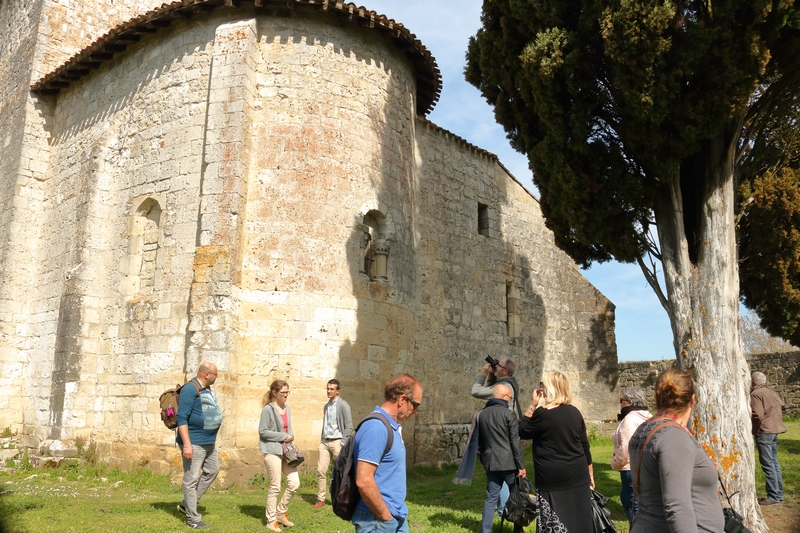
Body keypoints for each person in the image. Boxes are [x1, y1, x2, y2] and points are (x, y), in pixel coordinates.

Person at [628, 369, 724, 532]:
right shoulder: (675, 438)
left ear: (656, 397)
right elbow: (677, 506)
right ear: (693, 399)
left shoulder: (644, 430)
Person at [519, 371, 594, 532]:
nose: (541, 388)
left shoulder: (542, 414)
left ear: (549, 388)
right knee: (579, 518)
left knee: (554, 520)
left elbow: (522, 430)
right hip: (578, 473)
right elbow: (584, 446)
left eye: (542, 385)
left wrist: (532, 405)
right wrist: (590, 474)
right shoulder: (575, 412)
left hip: (552, 476)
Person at [352, 373, 423, 533]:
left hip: (394, 515)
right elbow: (364, 480)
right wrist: (385, 516)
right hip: (377, 519)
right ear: (402, 400)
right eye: (415, 405)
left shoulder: (390, 426)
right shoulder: (376, 428)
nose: (415, 412)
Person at [470, 358, 521, 514]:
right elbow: (493, 389)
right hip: (507, 427)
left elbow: (476, 391)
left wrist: (483, 374)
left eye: (498, 366)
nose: (495, 366)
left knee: (501, 471)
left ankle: (504, 510)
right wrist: (493, 374)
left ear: (504, 371)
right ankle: (504, 510)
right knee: (504, 470)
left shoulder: (504, 386)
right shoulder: (511, 382)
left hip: (500, 429)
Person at [176, 362, 223, 530]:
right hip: (194, 443)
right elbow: (181, 418)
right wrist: (187, 445)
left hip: (209, 442)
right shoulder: (190, 389)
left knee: (212, 470)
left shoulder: (206, 388)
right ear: (207, 374)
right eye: (216, 374)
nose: (217, 377)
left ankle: (186, 504)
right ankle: (193, 519)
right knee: (190, 479)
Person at [478, 384, 526, 533]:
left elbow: (479, 442)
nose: (510, 400)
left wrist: (484, 459)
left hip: (491, 463)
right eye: (510, 398)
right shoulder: (509, 414)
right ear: (504, 397)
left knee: (490, 498)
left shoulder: (482, 414)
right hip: (509, 464)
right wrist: (521, 466)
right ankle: (518, 529)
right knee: (516, 496)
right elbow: (515, 442)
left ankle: (486, 530)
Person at [258, 380, 300, 532]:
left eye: (287, 392)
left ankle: (280, 512)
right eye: (283, 392)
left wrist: (291, 436)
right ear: (274, 393)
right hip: (272, 451)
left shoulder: (287, 408)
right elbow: (263, 431)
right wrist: (282, 436)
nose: (285, 395)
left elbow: (289, 428)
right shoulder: (267, 410)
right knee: (275, 487)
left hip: (287, 452)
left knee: (294, 483)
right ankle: (271, 520)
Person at [612, 386, 652, 521]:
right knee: (632, 500)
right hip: (647, 466)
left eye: (621, 400)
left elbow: (626, 450)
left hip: (630, 468)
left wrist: (615, 464)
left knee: (632, 504)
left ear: (630, 403)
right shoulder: (649, 417)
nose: (620, 402)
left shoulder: (629, 419)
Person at [314, 378, 353, 509]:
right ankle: (320, 499)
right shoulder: (326, 406)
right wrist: (322, 439)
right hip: (325, 442)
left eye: (332, 389)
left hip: (337, 442)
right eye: (328, 388)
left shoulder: (343, 405)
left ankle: (342, 498)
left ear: (338, 391)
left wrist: (342, 443)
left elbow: (349, 426)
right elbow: (326, 424)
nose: (329, 391)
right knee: (321, 471)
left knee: (341, 472)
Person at [751, 371, 786, 506]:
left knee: (768, 464)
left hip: (764, 431)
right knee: (774, 463)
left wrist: (754, 430)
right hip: (774, 430)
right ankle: (779, 494)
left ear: (753, 381)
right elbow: (783, 405)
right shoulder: (771, 392)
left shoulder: (756, 394)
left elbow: (757, 415)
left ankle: (773, 496)